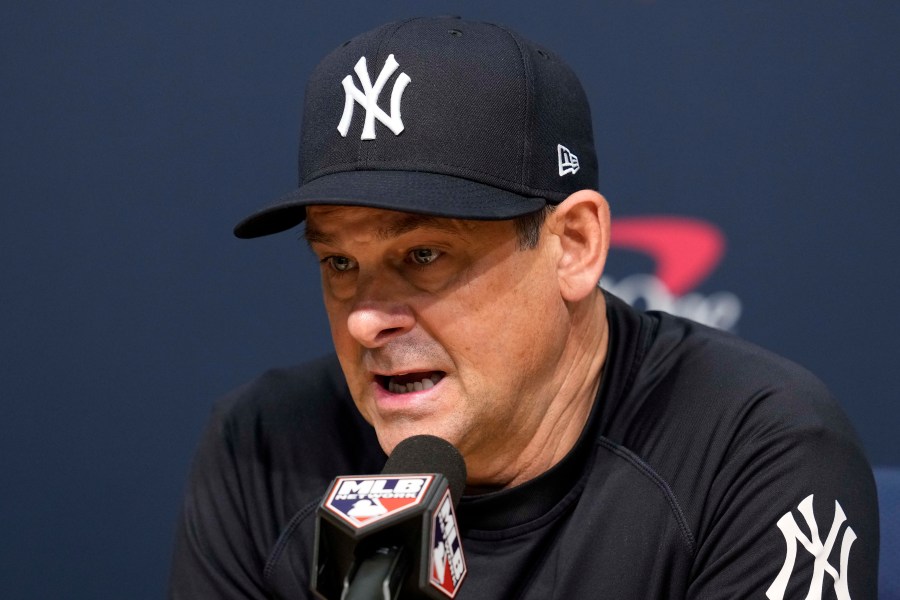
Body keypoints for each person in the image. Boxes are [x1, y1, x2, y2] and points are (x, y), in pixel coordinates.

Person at [168, 16, 879, 599]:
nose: (364, 320)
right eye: (340, 263)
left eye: (424, 256)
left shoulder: (752, 448)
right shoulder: (261, 449)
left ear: (573, 244)